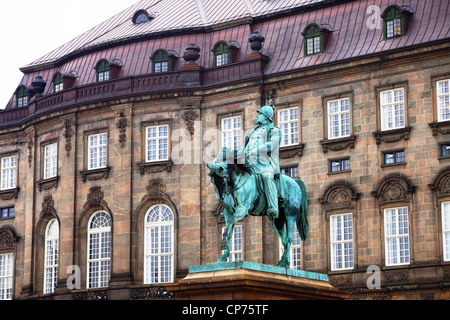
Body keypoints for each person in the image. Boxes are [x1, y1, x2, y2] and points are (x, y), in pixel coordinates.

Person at [239, 100, 282, 219]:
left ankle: (273, 206)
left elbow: (272, 145)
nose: (258, 116)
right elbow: (245, 147)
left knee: (267, 176)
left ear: (266, 117)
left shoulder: (275, 130)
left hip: (265, 164)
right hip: (251, 162)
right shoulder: (253, 131)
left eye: (260, 114)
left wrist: (256, 150)